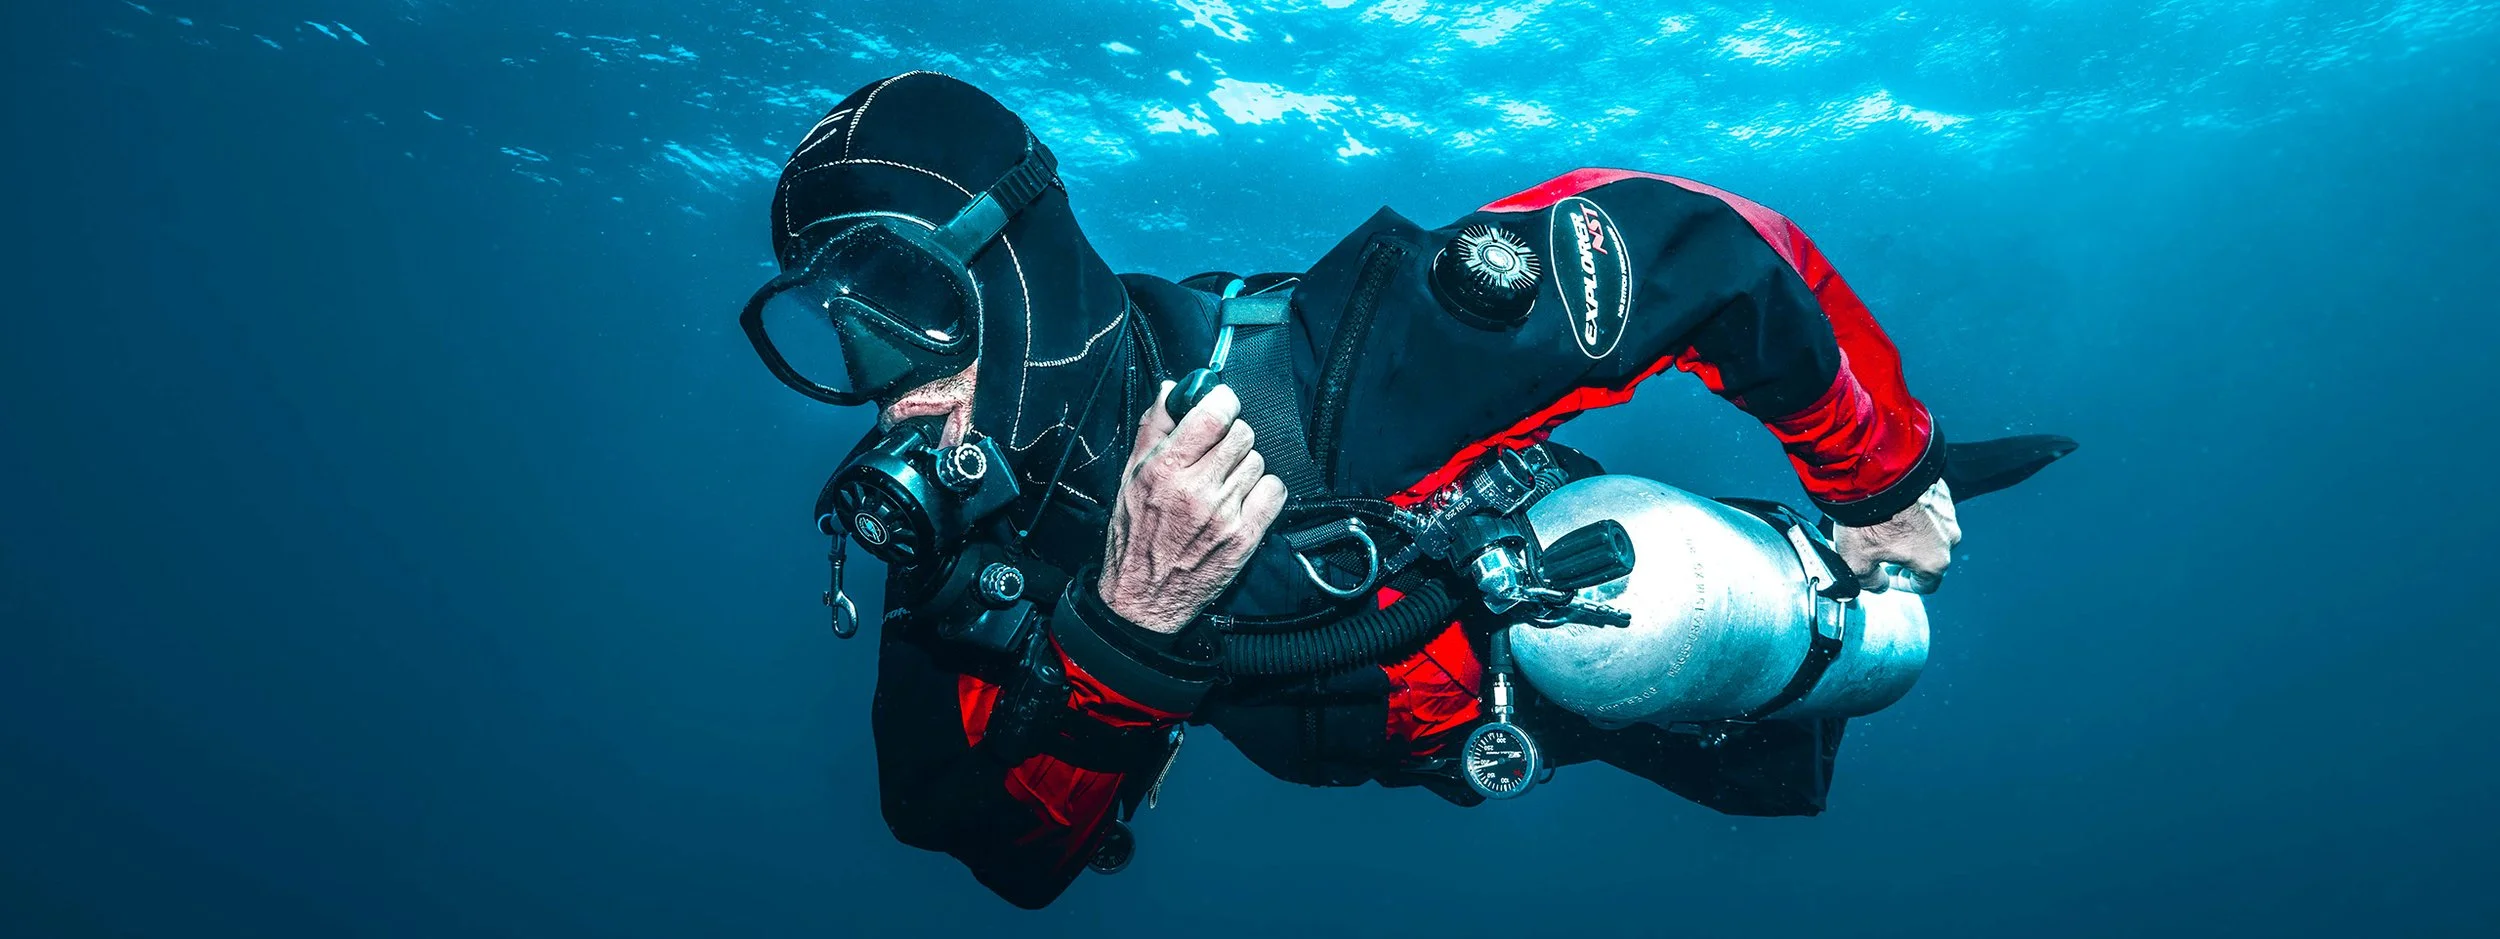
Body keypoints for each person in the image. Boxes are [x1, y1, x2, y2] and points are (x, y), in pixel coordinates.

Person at [741, 71, 2071, 908]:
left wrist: (1881, 469)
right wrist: (1126, 637)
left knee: (1690, 641)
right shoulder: (969, 548)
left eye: (909, 301)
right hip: (1444, 747)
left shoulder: (1334, 372)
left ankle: (1858, 566)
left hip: (1573, 617)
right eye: (837, 327)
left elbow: (1694, 243)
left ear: (1017, 266)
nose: (886, 382)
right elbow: (981, 840)